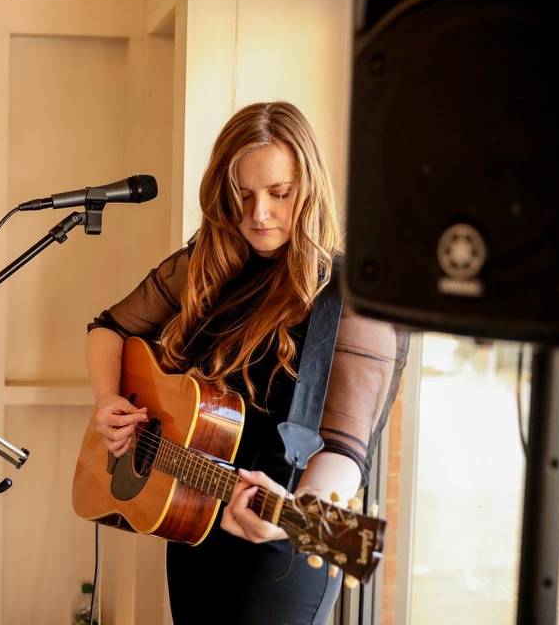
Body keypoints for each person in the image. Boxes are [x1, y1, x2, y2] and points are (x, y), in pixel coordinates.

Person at [84, 101, 409, 624]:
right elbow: (109, 329)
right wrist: (109, 402)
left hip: (283, 532)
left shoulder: (352, 296)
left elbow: (348, 447)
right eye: (244, 195)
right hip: (193, 519)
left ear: (310, 187)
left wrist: (299, 510)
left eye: (280, 194)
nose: (259, 214)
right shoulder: (205, 267)